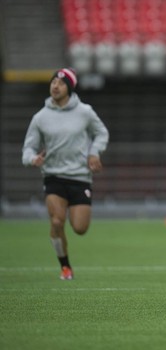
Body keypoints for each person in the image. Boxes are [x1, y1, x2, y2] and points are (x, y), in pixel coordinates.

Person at [22, 68, 109, 280]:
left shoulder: (85, 112)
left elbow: (101, 133)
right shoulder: (40, 117)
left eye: (60, 83)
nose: (55, 86)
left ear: (69, 88)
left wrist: (94, 153)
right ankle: (65, 268)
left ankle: (66, 259)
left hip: (80, 177)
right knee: (57, 222)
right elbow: (28, 149)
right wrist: (33, 159)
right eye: (53, 82)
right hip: (53, 177)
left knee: (80, 228)